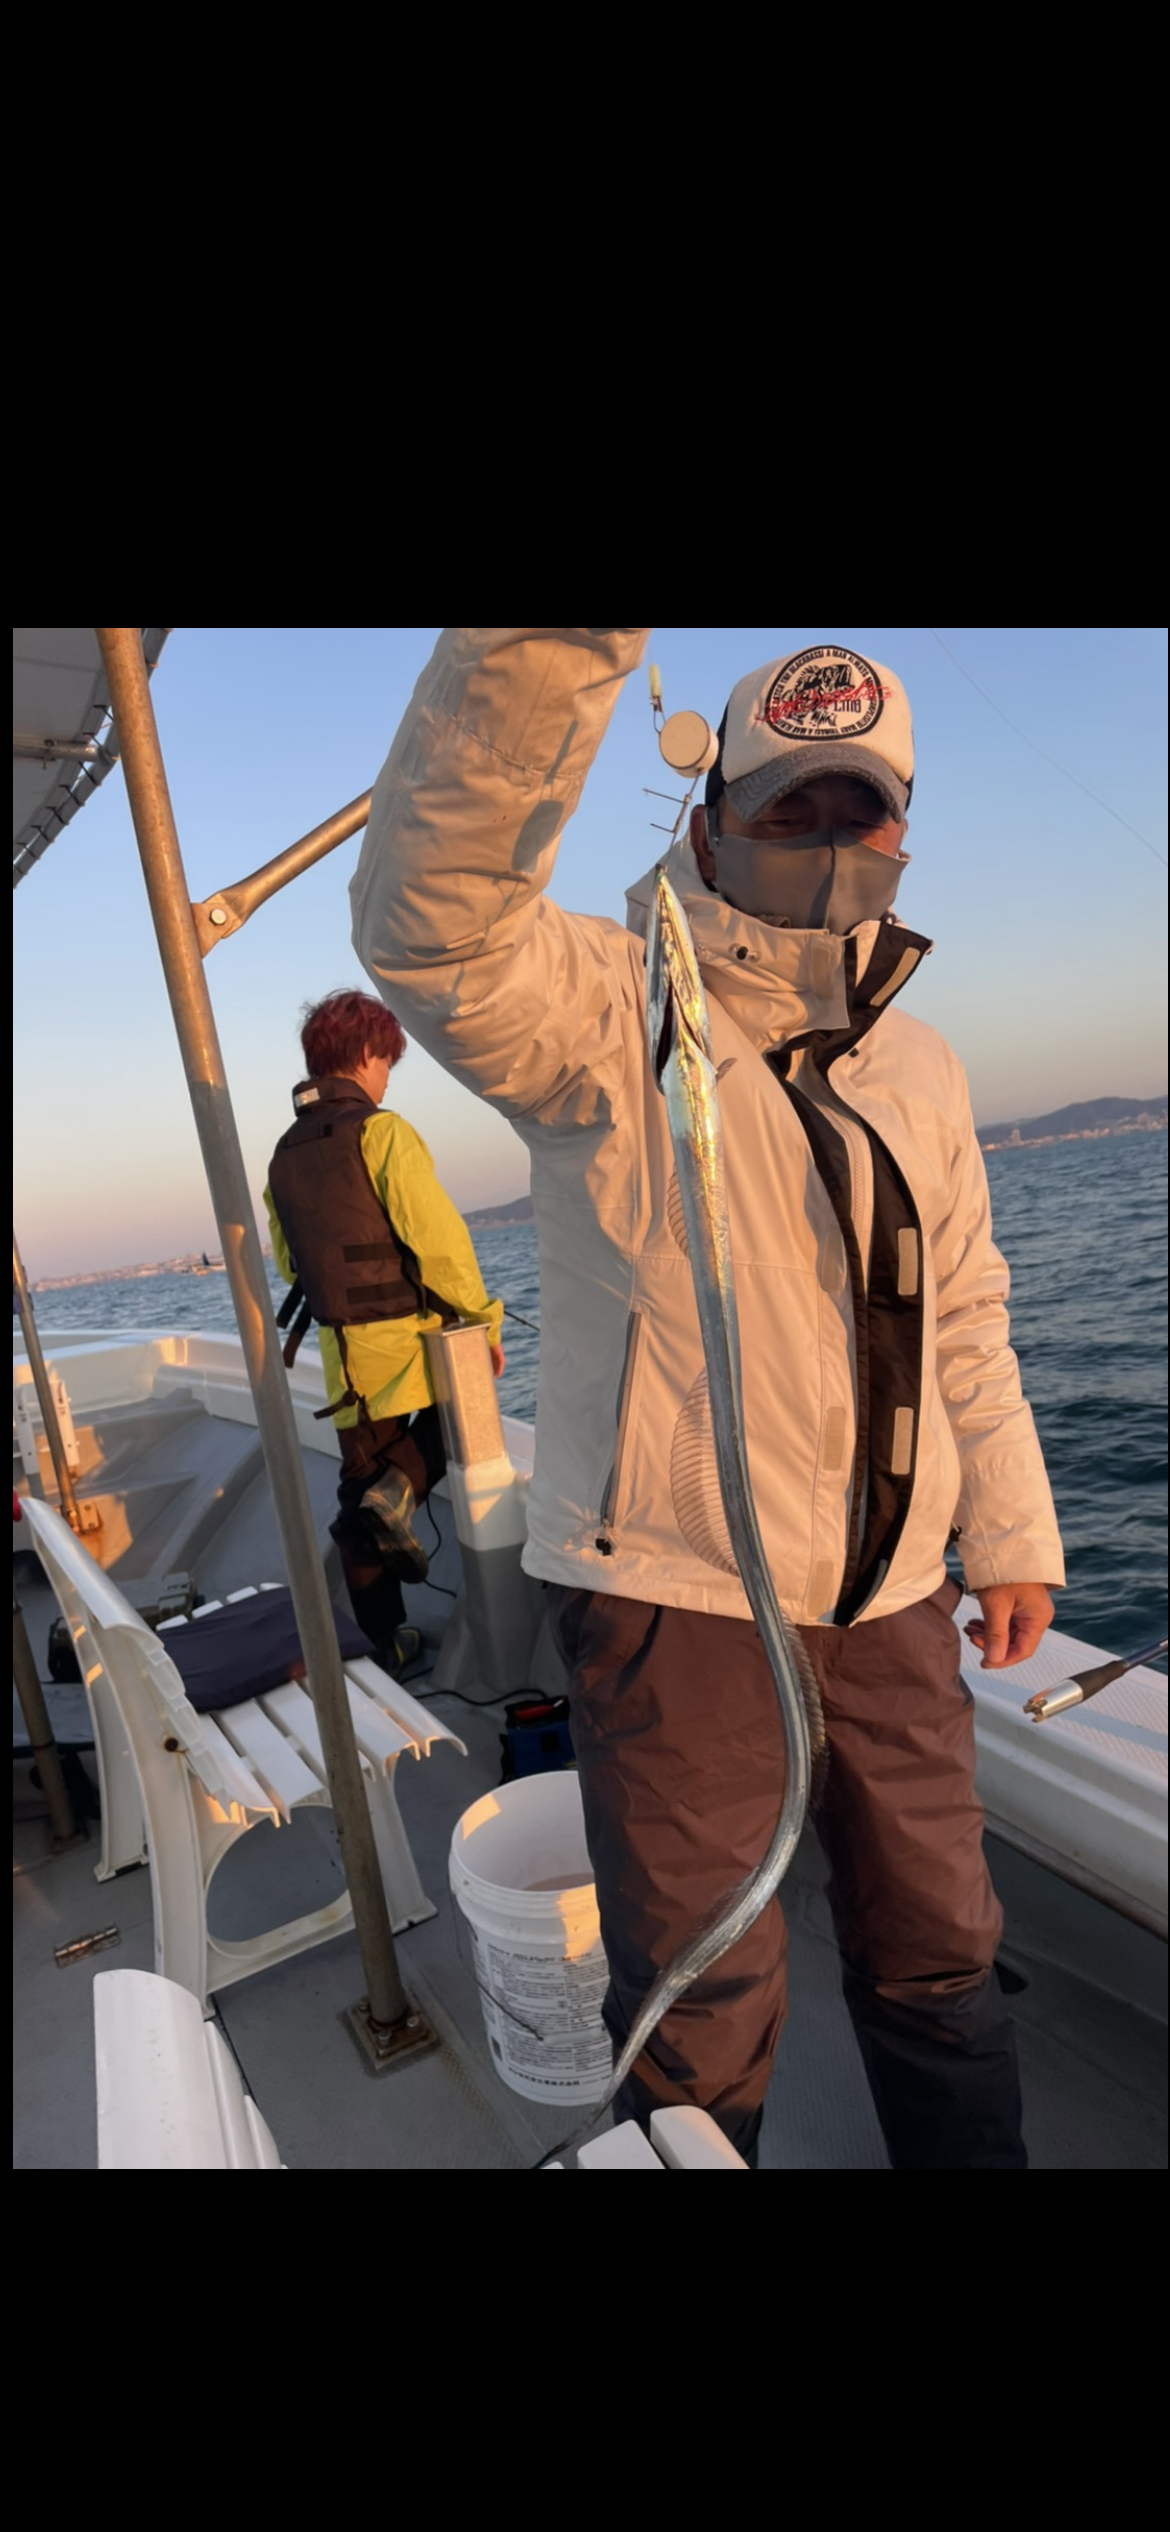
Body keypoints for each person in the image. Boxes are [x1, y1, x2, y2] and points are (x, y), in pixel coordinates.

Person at [349, 632, 1065, 2168]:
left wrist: (1007, 1529)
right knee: (700, 1993)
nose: (828, 840)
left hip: (892, 1597)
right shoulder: (604, 1011)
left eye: (860, 810)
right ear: (707, 822)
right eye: (789, 807)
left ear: (902, 830)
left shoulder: (924, 1066)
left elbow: (965, 1316)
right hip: (679, 1602)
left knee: (942, 1949)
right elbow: (433, 928)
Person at [264, 987, 505, 1676]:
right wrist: (482, 1319)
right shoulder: (383, 1132)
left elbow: (289, 1262)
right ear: (366, 1053)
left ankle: (383, 1642)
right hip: (410, 1347)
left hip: (345, 1362)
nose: (387, 1077)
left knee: (358, 1504)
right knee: (450, 1430)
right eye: (387, 1062)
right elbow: (438, 1241)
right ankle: (400, 1487)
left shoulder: (283, 1155)